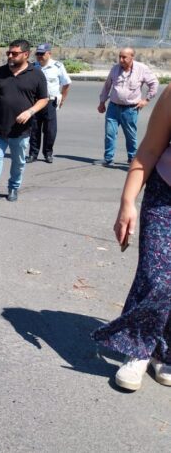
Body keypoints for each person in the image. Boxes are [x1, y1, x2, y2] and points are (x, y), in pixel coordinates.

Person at [91, 84, 171, 391]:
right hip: (165, 195)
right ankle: (139, 349)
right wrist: (127, 203)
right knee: (158, 277)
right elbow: (150, 150)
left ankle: (163, 350)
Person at [0, 39, 48, 207]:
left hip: (21, 130)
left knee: (18, 162)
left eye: (14, 54)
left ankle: (14, 187)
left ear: (26, 54)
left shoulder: (36, 74)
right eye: (9, 52)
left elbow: (44, 99)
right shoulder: (0, 72)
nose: (10, 56)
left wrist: (30, 112)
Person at [97, 48, 159, 166]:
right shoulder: (115, 69)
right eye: (120, 57)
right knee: (110, 134)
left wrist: (146, 100)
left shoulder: (141, 69)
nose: (121, 60)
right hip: (113, 108)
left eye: (124, 57)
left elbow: (154, 83)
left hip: (130, 109)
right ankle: (108, 159)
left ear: (132, 57)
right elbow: (107, 86)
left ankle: (132, 158)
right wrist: (102, 102)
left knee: (130, 136)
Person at [27, 43, 71, 164]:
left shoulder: (57, 66)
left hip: (51, 101)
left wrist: (63, 99)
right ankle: (33, 154)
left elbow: (66, 83)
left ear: (49, 53)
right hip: (36, 102)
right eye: (38, 54)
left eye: (42, 54)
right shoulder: (33, 66)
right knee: (34, 129)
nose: (39, 56)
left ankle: (48, 153)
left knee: (50, 130)